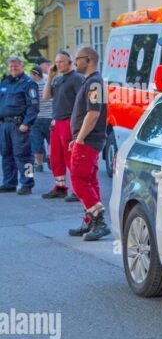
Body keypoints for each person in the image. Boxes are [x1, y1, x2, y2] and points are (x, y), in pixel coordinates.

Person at [68, 46, 110, 240]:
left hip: (88, 141)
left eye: (77, 58)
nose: (75, 62)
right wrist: (76, 137)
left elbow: (93, 114)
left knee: (78, 179)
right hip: (87, 140)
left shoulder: (94, 83)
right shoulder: (92, 82)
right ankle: (90, 221)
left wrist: (80, 138)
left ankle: (99, 222)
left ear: (89, 59)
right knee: (90, 181)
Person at [41, 51, 84, 200]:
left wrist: (78, 124)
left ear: (70, 62)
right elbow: (46, 96)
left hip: (69, 122)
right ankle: (60, 187)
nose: (58, 65)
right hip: (56, 122)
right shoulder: (58, 80)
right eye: (56, 62)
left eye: (61, 62)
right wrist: (50, 77)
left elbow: (83, 102)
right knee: (56, 158)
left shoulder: (77, 78)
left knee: (70, 157)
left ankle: (78, 190)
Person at [0, 56, 39, 195]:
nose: (13, 68)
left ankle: (27, 184)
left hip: (19, 125)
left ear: (22, 67)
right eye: (11, 66)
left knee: (24, 156)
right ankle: (9, 183)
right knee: (6, 154)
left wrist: (27, 123)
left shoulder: (29, 83)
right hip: (5, 125)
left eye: (16, 65)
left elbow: (33, 106)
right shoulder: (5, 82)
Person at [29, 66, 52, 172]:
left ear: (36, 75)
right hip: (50, 117)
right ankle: (50, 156)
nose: (30, 76)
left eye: (31, 74)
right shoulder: (48, 82)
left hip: (37, 119)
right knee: (51, 141)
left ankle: (39, 165)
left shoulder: (32, 86)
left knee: (37, 143)